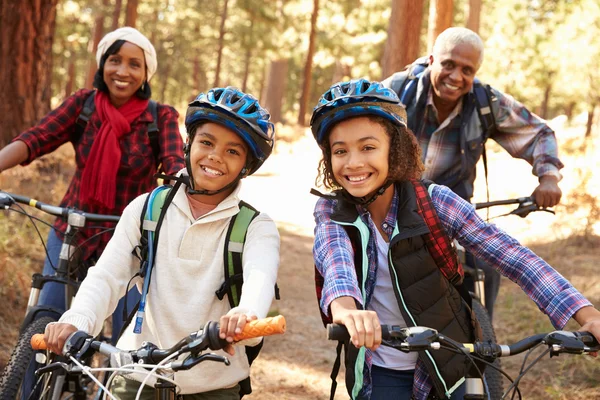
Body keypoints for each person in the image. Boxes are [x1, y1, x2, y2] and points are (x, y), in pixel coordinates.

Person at [310, 79, 600, 400]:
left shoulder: (434, 201)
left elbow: (514, 258)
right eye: (340, 151)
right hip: (383, 369)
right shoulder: (332, 211)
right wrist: (347, 311)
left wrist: (588, 316)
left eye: (368, 147)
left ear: (395, 148)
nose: (353, 162)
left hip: (452, 361)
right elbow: (337, 269)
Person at [44, 86, 280, 400]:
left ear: (246, 166)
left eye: (232, 151)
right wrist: (78, 320)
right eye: (206, 142)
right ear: (189, 143)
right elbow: (107, 276)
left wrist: (246, 313)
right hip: (136, 373)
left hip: (212, 385)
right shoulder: (147, 209)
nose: (215, 156)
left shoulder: (254, 227)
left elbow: (259, 277)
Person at [0, 27, 185, 343]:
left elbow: (175, 164)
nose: (122, 71)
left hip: (131, 239)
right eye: (115, 60)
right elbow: (36, 139)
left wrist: (186, 187)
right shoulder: (83, 105)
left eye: (134, 64)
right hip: (73, 229)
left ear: (145, 73)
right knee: (45, 326)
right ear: (103, 65)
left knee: (126, 336)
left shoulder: (161, 117)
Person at [381, 27, 564, 319]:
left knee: (484, 266)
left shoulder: (485, 103)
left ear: (475, 72)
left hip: (453, 212)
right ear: (431, 60)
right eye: (449, 64)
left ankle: (482, 349)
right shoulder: (396, 92)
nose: (456, 77)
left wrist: (549, 177)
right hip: (391, 207)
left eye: (467, 70)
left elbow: (539, 133)